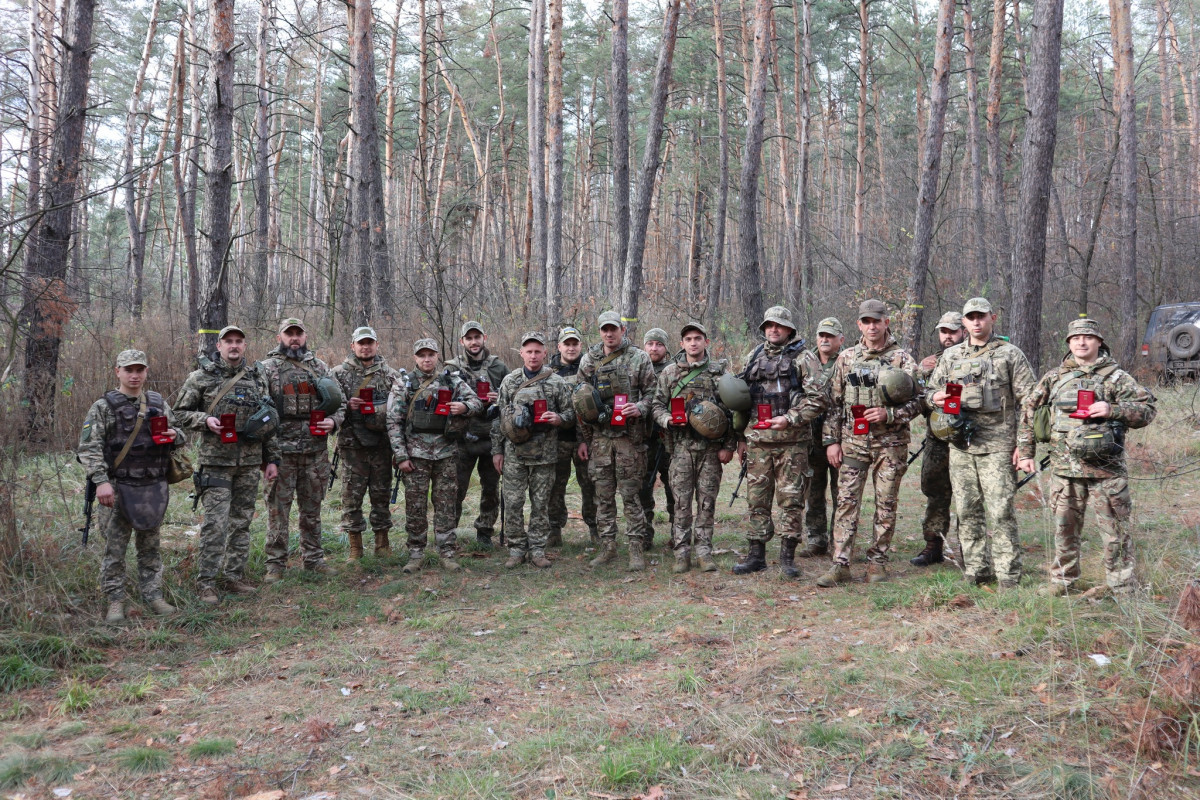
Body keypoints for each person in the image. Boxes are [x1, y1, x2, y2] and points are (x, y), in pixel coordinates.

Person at [1017, 318, 1156, 597]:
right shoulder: (1054, 377)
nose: (1082, 342)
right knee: (1064, 530)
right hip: (1064, 470)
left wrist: (1112, 408)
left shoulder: (1116, 377)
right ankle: (1063, 582)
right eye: (1076, 338)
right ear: (1069, 344)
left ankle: (1122, 586)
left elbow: (1148, 409)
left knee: (1116, 532)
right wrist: (1025, 452)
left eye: (1088, 337)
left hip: (1107, 470)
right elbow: (1029, 411)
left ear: (1099, 342)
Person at [926, 297, 1037, 588]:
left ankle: (1008, 576)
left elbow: (1030, 402)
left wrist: (1023, 447)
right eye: (970, 317)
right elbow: (930, 392)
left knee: (1001, 512)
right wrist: (934, 398)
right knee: (966, 510)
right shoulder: (951, 356)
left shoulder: (1010, 354)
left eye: (981, 316)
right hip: (961, 446)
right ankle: (976, 571)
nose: (976, 322)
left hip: (998, 446)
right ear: (963, 322)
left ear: (993, 318)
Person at [817, 299, 923, 586]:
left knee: (885, 504)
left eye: (877, 320)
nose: (872, 326)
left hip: (890, 445)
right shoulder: (847, 357)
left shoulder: (903, 359)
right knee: (846, 503)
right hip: (853, 442)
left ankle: (878, 562)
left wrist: (890, 414)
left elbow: (920, 401)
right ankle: (841, 563)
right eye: (866, 321)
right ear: (859, 325)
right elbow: (833, 404)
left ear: (886, 322)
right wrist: (831, 441)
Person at [78, 350, 187, 623]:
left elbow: (180, 434)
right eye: (129, 370)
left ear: (146, 372)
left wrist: (175, 435)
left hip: (152, 486)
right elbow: (88, 448)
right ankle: (115, 601)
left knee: (150, 547)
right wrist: (101, 482)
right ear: (118, 371)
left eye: (139, 369)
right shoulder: (103, 407)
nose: (134, 375)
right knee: (114, 550)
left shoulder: (158, 402)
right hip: (117, 488)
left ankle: (153, 595)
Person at [175, 325, 281, 605]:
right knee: (215, 524)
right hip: (216, 463)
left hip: (248, 463)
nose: (234, 346)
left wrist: (271, 459)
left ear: (245, 346)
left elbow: (268, 420)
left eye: (239, 341)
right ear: (219, 345)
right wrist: (205, 421)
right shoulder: (200, 377)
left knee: (242, 522)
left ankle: (234, 576)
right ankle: (207, 582)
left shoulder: (258, 378)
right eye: (228, 341)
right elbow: (179, 413)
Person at [732, 305, 829, 577]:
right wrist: (740, 437)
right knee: (757, 499)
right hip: (758, 441)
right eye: (769, 325)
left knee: (791, 499)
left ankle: (788, 557)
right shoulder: (753, 355)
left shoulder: (805, 358)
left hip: (792, 443)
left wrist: (791, 418)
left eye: (779, 325)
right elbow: (741, 398)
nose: (773, 329)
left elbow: (819, 399)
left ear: (789, 329)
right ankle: (756, 555)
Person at [387, 338, 483, 573]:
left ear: (437, 356)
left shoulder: (451, 380)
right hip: (415, 456)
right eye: (422, 355)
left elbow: (476, 402)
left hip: (446, 453)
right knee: (416, 506)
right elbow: (393, 421)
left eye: (431, 354)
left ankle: (447, 552)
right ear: (415, 358)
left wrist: (464, 408)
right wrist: (401, 456)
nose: (427, 359)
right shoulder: (404, 383)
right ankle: (416, 553)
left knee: (446, 505)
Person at [260, 318, 344, 581]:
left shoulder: (319, 367)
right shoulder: (266, 369)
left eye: (298, 334)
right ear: (279, 337)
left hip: (314, 452)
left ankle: (314, 559)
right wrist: (266, 455)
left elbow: (339, 403)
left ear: (305, 337)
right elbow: (260, 410)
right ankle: (275, 564)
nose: (294, 338)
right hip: (280, 453)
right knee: (277, 511)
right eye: (289, 334)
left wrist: (333, 421)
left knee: (312, 510)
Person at [650, 323, 736, 573]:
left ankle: (704, 551)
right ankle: (681, 552)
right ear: (682, 344)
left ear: (706, 342)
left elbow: (732, 412)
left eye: (698, 338)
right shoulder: (669, 373)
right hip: (680, 449)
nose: (693, 343)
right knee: (681, 503)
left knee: (707, 502)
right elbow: (657, 405)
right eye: (688, 339)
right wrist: (667, 420)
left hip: (710, 450)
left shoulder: (719, 374)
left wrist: (728, 446)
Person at [575, 311, 658, 570]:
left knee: (632, 496)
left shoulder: (639, 357)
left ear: (623, 329)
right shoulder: (589, 360)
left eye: (613, 329)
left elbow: (653, 393)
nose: (609, 334)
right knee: (603, 496)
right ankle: (608, 547)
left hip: (629, 440)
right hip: (601, 440)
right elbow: (579, 399)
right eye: (604, 329)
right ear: (599, 331)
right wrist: (587, 438)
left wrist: (640, 408)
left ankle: (636, 549)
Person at [492, 332, 576, 568]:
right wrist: (496, 451)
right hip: (514, 454)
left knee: (541, 504)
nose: (533, 355)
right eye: (528, 351)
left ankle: (538, 549)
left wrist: (558, 418)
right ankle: (517, 548)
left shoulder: (556, 382)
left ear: (545, 353)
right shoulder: (510, 381)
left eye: (538, 351)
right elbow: (499, 419)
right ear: (521, 353)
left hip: (545, 453)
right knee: (513, 502)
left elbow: (571, 415)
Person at [330, 326, 403, 560]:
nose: (365, 346)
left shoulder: (391, 375)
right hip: (352, 448)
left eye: (370, 342)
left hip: (382, 446)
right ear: (353, 345)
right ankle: (355, 549)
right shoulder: (338, 374)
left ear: (377, 345)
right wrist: (345, 405)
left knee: (381, 496)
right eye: (361, 342)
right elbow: (330, 407)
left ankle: (382, 546)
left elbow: (400, 411)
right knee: (352, 498)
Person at [910, 311, 966, 568]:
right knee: (935, 492)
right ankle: (934, 545)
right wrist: (922, 374)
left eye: (952, 331)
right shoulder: (930, 364)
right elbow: (918, 400)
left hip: (968, 440)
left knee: (969, 495)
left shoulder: (973, 358)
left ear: (963, 331)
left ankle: (970, 551)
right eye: (943, 332)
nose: (948, 336)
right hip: (937, 439)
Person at [446, 321, 509, 549]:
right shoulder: (451, 368)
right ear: (462, 341)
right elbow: (444, 400)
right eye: (469, 338)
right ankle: (448, 534)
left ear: (485, 338)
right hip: (462, 439)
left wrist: (498, 399)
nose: (474, 342)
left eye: (477, 337)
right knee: (456, 489)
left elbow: (512, 398)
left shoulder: (499, 367)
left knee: (491, 489)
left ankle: (484, 531)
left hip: (491, 438)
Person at [548, 327, 597, 545]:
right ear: (559, 347)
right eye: (566, 344)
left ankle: (595, 528)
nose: (570, 348)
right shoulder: (547, 372)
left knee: (590, 485)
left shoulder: (590, 370)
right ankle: (554, 529)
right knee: (555, 486)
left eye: (574, 344)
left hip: (584, 439)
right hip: (556, 439)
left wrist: (585, 439)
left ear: (581, 346)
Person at [800, 317, 844, 558]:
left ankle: (840, 540)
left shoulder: (848, 361)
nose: (825, 339)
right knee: (813, 491)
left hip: (841, 439)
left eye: (830, 335)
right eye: (821, 335)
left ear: (841, 339)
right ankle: (816, 539)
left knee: (843, 492)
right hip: (812, 437)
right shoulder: (806, 361)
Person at [638, 327, 675, 551]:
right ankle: (645, 534)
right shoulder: (638, 367)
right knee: (643, 487)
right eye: (650, 344)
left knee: (675, 488)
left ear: (665, 347)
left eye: (658, 344)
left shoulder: (674, 370)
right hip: (644, 439)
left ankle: (677, 532)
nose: (654, 348)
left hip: (669, 439)